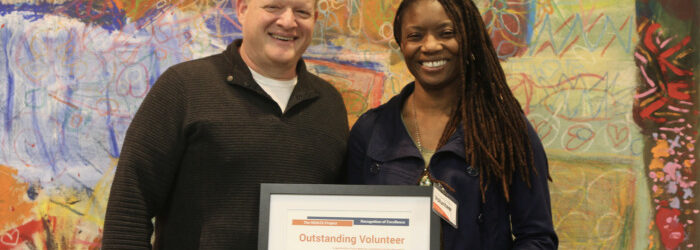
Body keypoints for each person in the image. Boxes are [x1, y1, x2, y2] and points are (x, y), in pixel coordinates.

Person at [101, 0, 349, 248]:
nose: (288, 21)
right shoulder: (184, 87)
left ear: (314, 19)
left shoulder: (330, 105)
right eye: (273, 7)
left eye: (302, 12)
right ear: (242, 10)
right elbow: (129, 209)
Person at [346, 0, 558, 248]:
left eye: (447, 33)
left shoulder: (506, 129)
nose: (430, 46)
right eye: (415, 36)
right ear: (401, 44)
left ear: (468, 37)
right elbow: (351, 229)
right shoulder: (370, 130)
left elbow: (537, 238)